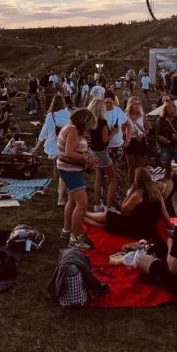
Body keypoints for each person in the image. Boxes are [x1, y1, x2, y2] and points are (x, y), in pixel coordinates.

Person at [84, 167, 170, 242]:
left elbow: (124, 209)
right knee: (107, 224)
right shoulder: (156, 192)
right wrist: (170, 225)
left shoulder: (139, 194)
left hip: (136, 227)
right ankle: (84, 217)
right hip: (149, 229)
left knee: (110, 217)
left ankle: (86, 215)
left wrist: (130, 193)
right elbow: (164, 211)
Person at [57, 107, 97, 250]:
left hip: (69, 169)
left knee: (72, 201)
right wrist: (87, 158)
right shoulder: (73, 130)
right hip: (71, 170)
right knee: (82, 203)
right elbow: (68, 152)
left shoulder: (70, 128)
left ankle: (67, 231)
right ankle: (75, 238)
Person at [34, 94, 71, 206]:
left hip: (53, 147)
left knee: (57, 168)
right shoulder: (68, 114)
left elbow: (43, 132)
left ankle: (60, 191)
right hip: (65, 146)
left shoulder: (50, 116)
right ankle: (67, 190)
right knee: (66, 169)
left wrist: (37, 146)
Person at [88, 98, 118, 212]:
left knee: (98, 177)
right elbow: (104, 140)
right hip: (102, 152)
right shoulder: (102, 122)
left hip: (93, 151)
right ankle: (109, 207)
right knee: (113, 178)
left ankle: (97, 204)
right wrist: (114, 132)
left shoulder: (90, 122)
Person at [155, 98, 177, 190]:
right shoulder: (160, 120)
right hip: (165, 147)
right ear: (165, 109)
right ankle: (168, 192)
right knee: (167, 170)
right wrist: (161, 138)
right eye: (169, 108)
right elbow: (157, 134)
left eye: (173, 107)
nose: (172, 110)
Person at [123, 97, 147, 185]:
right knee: (131, 167)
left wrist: (143, 135)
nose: (138, 106)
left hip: (140, 141)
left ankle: (141, 185)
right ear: (130, 105)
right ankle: (131, 187)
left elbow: (147, 129)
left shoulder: (142, 115)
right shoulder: (125, 116)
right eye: (135, 104)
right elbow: (122, 130)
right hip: (130, 141)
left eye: (139, 104)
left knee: (141, 166)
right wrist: (129, 134)